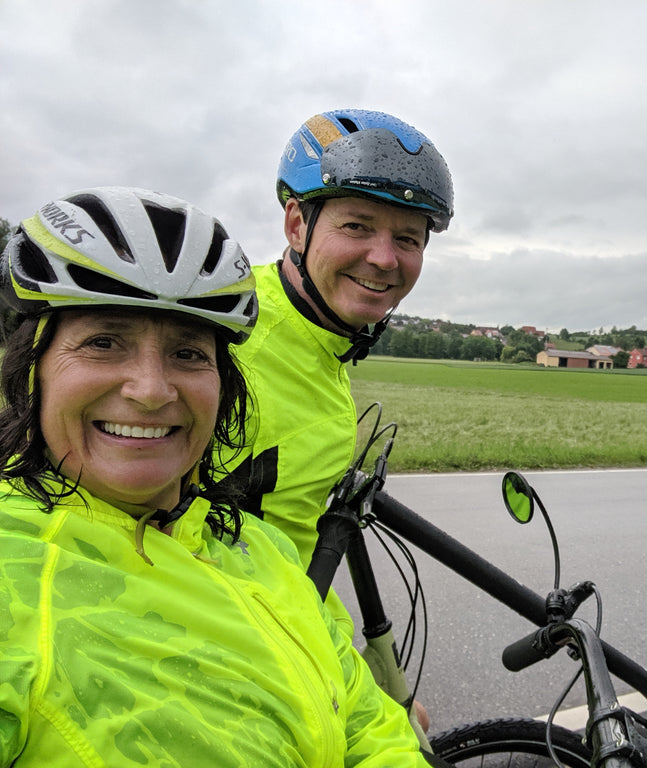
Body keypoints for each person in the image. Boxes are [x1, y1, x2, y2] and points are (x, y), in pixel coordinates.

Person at [0, 186, 431, 767]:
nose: (151, 390)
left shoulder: (254, 545)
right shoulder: (12, 568)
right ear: (34, 371)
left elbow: (367, 727)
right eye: (103, 343)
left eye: (188, 354)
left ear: (224, 389)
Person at [216, 110, 454, 729]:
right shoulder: (235, 351)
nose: (383, 258)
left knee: (410, 719)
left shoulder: (318, 339)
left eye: (408, 238)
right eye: (357, 226)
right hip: (222, 660)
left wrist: (352, 666)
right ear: (297, 224)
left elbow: (282, 548)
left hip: (276, 623)